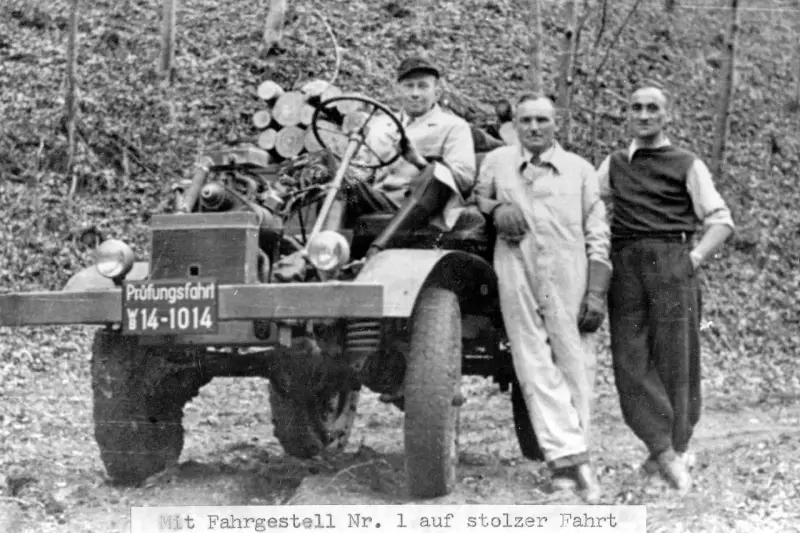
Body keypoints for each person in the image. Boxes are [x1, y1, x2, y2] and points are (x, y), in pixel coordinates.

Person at [594, 84, 735, 494]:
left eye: (652, 108)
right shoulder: (616, 163)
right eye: (636, 108)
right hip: (625, 264)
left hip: (671, 261)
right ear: (627, 115)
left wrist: (691, 260)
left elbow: (721, 221)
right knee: (630, 360)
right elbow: (591, 203)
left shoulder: (686, 163)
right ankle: (662, 448)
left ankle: (675, 449)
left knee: (677, 359)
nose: (643, 115)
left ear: (666, 115)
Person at [473, 93, 611, 503]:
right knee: (532, 363)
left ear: (556, 124)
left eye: (542, 120)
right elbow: (476, 199)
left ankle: (579, 457)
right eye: (526, 120)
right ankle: (564, 467)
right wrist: (497, 208)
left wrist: (597, 292)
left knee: (575, 363)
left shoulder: (581, 170)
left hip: (569, 270)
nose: (534, 127)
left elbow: (598, 232)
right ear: (514, 124)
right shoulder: (497, 162)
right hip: (515, 267)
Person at [352, 55, 477, 256]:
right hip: (380, 199)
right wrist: (351, 173)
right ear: (398, 91)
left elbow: (464, 179)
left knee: (435, 174)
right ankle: (324, 251)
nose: (415, 94)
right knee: (336, 175)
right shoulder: (381, 125)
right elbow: (364, 170)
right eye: (409, 86)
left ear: (436, 92)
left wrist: (418, 162)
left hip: (424, 206)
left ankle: (377, 250)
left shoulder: (453, 126)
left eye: (422, 86)